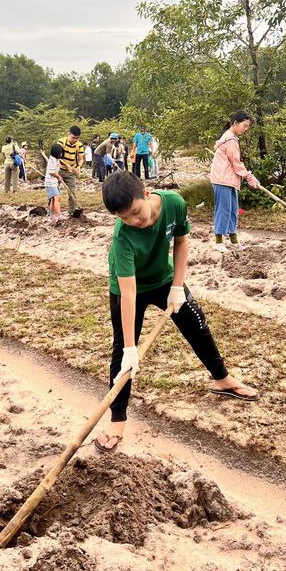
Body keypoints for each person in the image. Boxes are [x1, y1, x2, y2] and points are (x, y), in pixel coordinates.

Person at [94, 171, 258, 453]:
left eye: (135, 212)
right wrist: (132, 350)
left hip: (165, 279)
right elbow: (129, 292)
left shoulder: (174, 203)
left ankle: (221, 379)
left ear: (146, 194)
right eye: (124, 218)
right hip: (128, 288)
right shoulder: (123, 238)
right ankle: (117, 420)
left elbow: (181, 241)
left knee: (196, 322)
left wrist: (177, 286)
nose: (134, 221)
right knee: (122, 352)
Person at [210, 110, 260, 253]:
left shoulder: (230, 138)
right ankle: (218, 242)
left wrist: (248, 176)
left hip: (230, 180)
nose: (245, 129)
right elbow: (236, 163)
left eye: (247, 127)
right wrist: (249, 177)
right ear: (235, 123)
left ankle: (233, 241)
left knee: (233, 210)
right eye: (244, 126)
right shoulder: (230, 139)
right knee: (224, 210)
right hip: (222, 180)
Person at [57, 126, 85, 217]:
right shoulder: (61, 142)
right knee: (54, 193)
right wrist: (66, 165)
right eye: (73, 138)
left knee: (72, 193)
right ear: (68, 134)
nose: (75, 140)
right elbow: (57, 157)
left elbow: (81, 159)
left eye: (77, 138)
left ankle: (71, 213)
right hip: (58, 171)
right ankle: (51, 211)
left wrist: (79, 166)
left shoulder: (79, 144)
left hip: (71, 172)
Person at [45, 143, 65, 221]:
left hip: (54, 181)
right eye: (59, 153)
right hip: (50, 182)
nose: (61, 154)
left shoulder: (56, 159)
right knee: (57, 197)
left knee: (54, 199)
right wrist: (58, 177)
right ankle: (59, 215)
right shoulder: (52, 160)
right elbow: (51, 172)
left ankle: (52, 215)